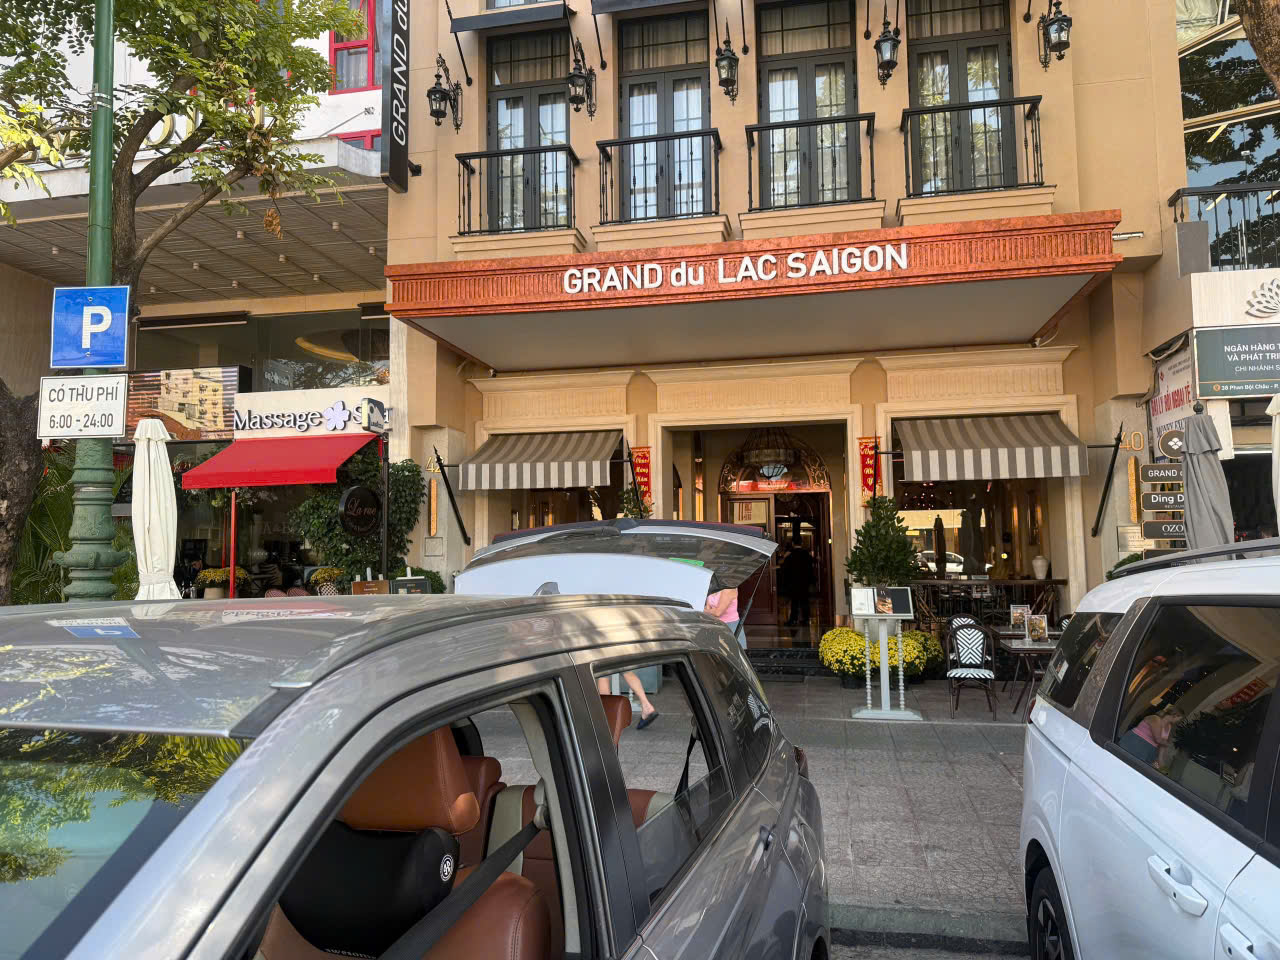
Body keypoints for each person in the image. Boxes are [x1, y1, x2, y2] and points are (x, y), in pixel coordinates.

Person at [780, 537, 814, 628]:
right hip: (804, 581)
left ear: (793, 543)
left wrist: (784, 557)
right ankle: (806, 619)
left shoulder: (790, 554)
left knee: (794, 601)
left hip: (793, 581)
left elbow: (785, 567)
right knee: (805, 601)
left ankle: (793, 620)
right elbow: (811, 566)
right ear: (801, 543)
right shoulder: (806, 554)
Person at [705, 582, 742, 648]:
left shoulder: (729, 588)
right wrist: (707, 611)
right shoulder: (713, 586)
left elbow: (717, 612)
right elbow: (708, 608)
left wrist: (700, 609)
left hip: (729, 627)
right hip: (714, 625)